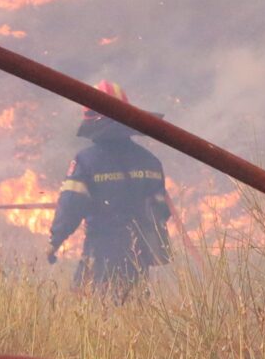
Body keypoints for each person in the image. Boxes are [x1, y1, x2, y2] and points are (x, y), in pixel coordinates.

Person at [47, 84, 174, 298]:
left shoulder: (86, 161)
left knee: (88, 308)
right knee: (134, 309)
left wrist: (55, 240)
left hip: (102, 248)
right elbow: (162, 210)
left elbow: (71, 206)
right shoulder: (150, 161)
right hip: (139, 253)